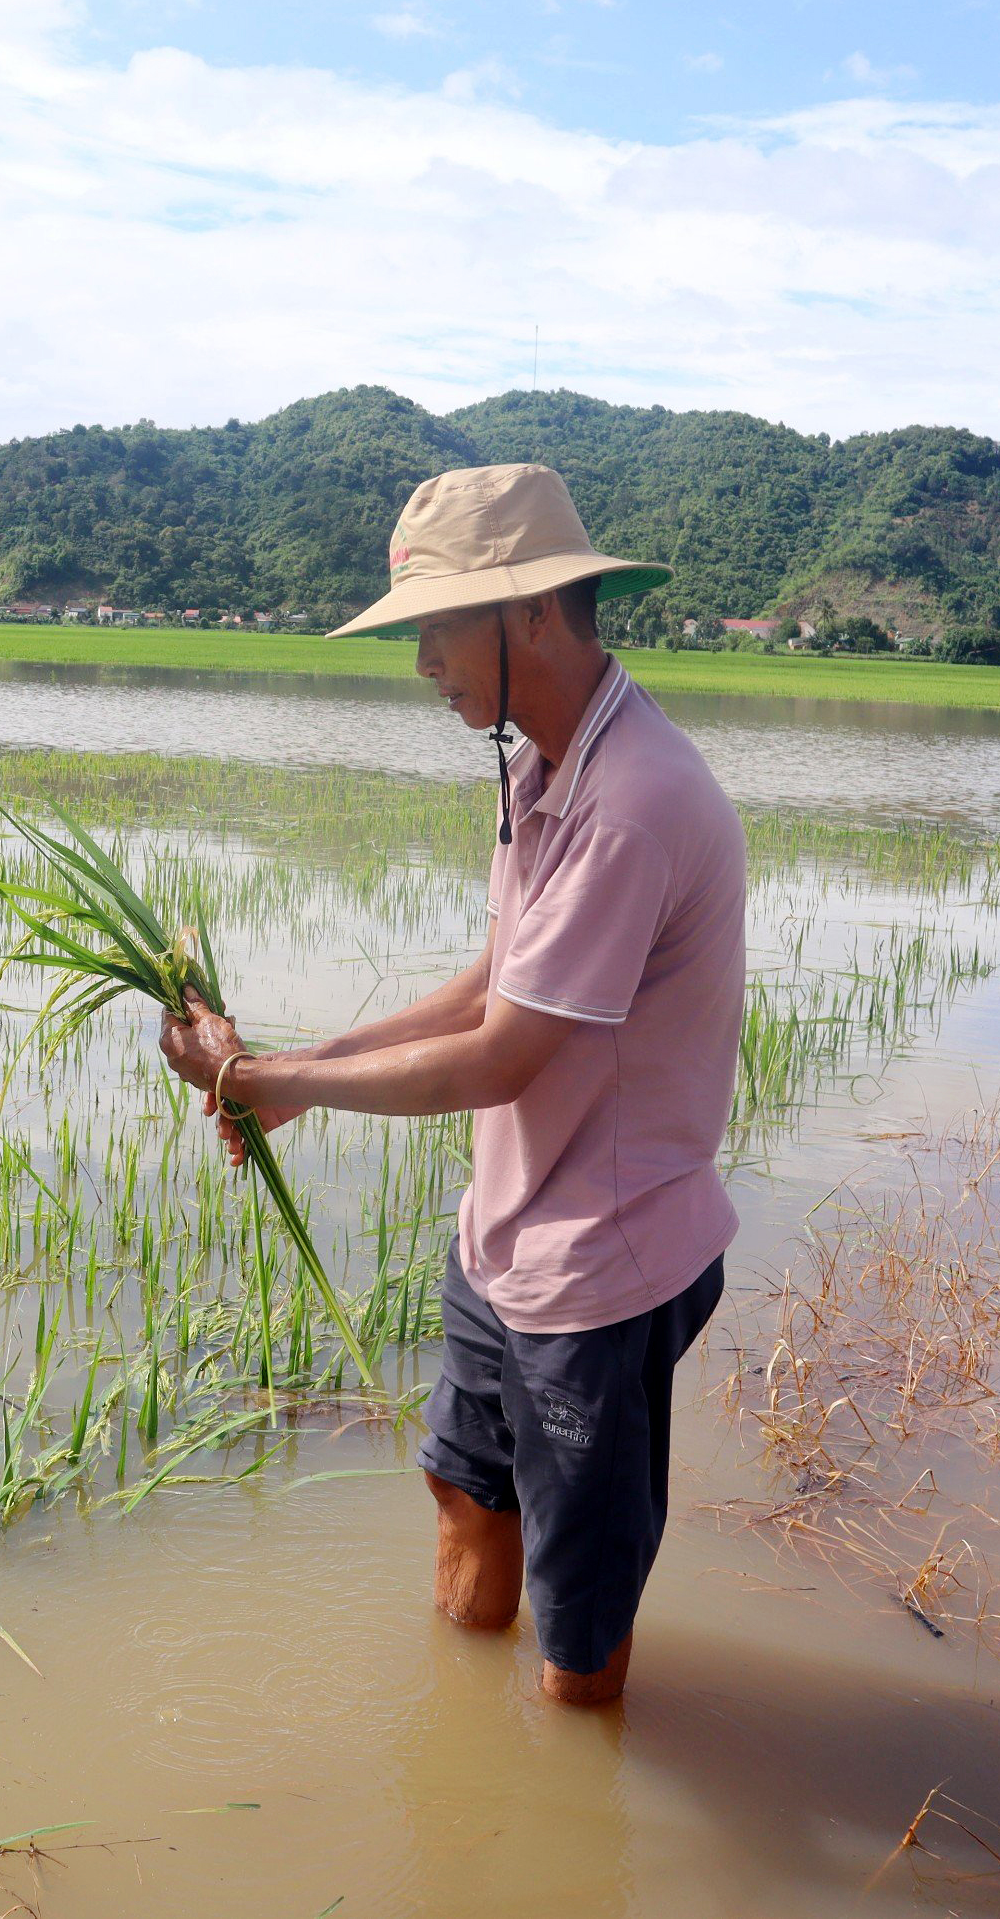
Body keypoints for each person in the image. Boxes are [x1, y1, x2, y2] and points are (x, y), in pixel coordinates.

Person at [159, 463, 745, 1707]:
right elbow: (491, 986)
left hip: (599, 1266)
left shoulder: (632, 800)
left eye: (435, 626)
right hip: (507, 1236)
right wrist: (287, 1070)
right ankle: (471, 1775)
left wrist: (273, 1081)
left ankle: (567, 1777)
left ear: (530, 612)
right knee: (462, 1484)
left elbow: (499, 1055)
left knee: (578, 1615)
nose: (422, 659)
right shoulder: (542, 767)